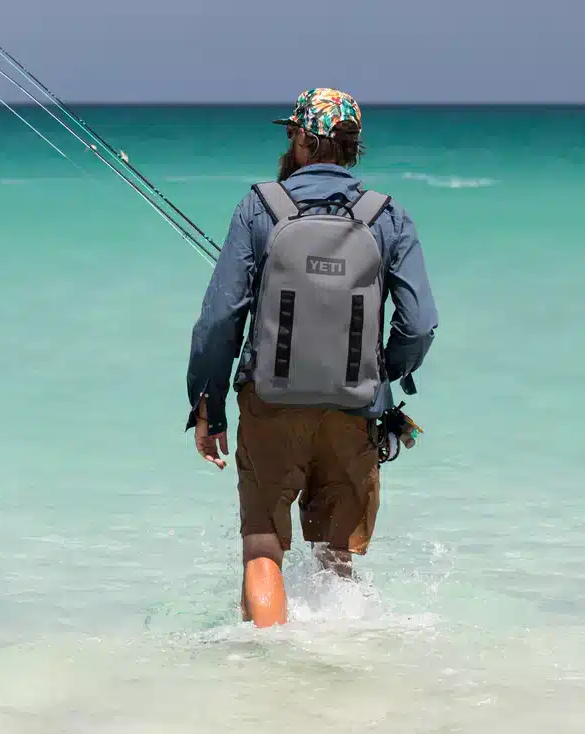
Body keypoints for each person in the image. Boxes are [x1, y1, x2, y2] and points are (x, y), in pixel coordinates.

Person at [186, 88, 438, 628]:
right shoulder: (387, 217)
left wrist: (207, 405)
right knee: (334, 557)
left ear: (303, 138)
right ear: (351, 148)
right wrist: (381, 373)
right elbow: (418, 326)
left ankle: (269, 679)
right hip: (354, 411)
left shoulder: (261, 207)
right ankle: (337, 683)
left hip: (271, 405)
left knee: (262, 550)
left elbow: (218, 322)